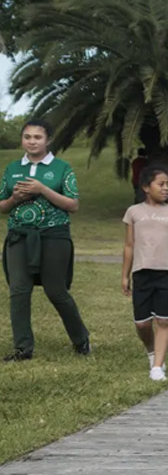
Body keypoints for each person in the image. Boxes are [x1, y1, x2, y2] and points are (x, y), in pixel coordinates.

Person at [1, 120, 91, 362]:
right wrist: (15, 198)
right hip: (19, 235)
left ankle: (81, 339)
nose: (32, 141)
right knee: (19, 290)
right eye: (27, 137)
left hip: (54, 235)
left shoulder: (61, 168)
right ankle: (23, 349)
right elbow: (2, 206)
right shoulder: (12, 169)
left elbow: (73, 205)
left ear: (47, 140)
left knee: (56, 291)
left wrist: (42, 189)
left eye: (37, 137)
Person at [121, 166, 168, 381]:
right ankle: (152, 352)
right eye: (161, 184)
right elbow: (129, 245)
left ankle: (157, 367)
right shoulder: (133, 212)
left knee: (164, 320)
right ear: (146, 187)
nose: (166, 188)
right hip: (142, 273)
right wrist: (125, 275)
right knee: (142, 323)